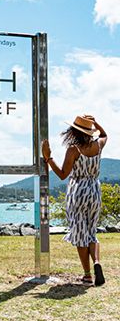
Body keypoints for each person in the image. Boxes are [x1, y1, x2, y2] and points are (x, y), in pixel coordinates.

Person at [41, 115, 107, 286]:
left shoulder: (74, 149)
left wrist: (48, 158)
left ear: (74, 131)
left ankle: (87, 274)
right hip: (94, 190)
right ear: (89, 131)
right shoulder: (98, 145)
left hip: (77, 191)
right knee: (91, 232)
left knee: (80, 234)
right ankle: (97, 262)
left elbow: (63, 174)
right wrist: (95, 123)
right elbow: (104, 134)